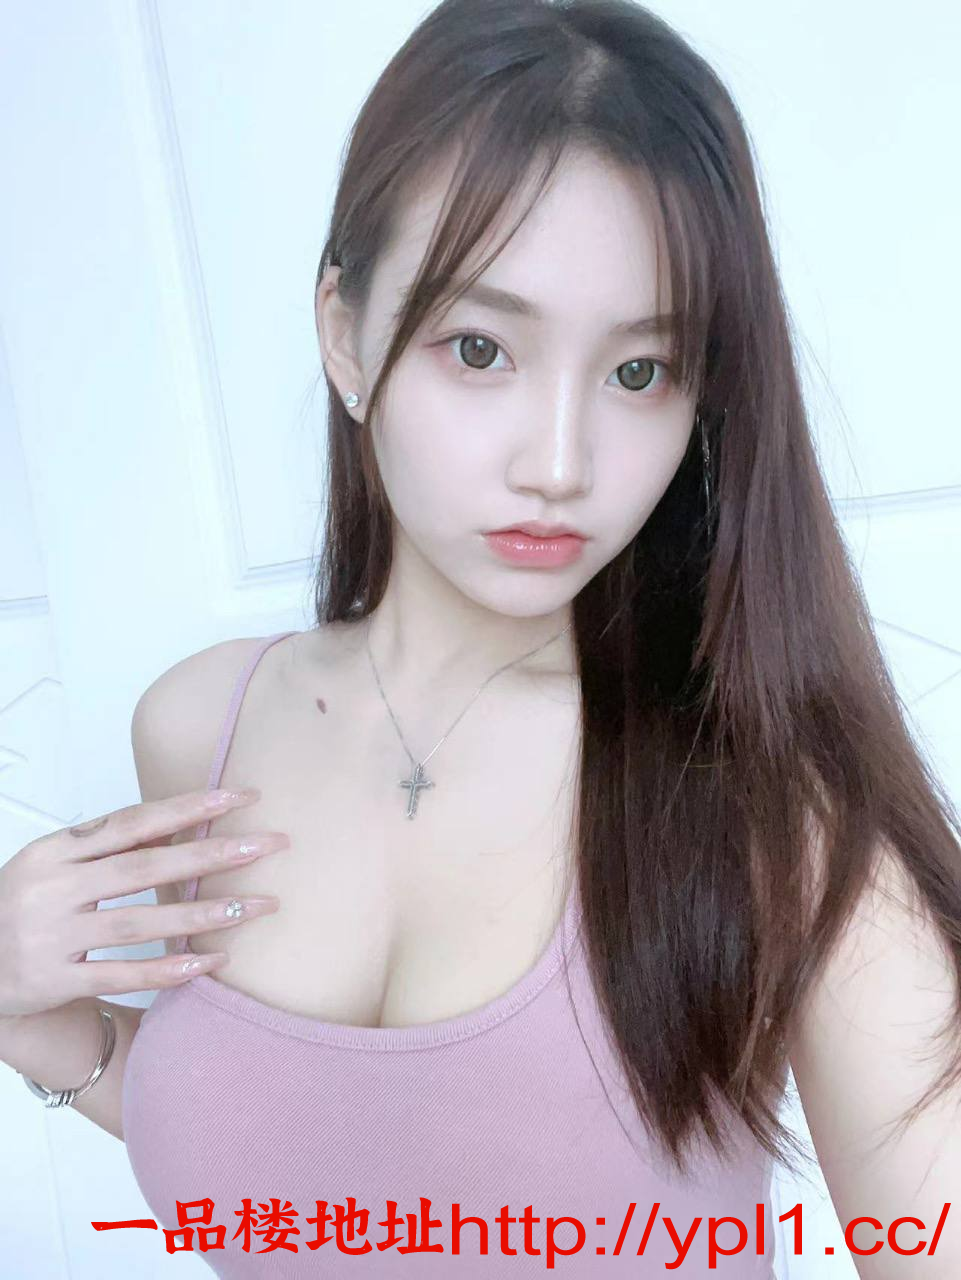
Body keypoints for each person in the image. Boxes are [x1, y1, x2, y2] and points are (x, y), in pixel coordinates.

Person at [3, 0, 960, 1274]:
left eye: (637, 372)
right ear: (345, 334)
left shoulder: (772, 816)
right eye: (480, 348)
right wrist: (41, 1024)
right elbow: (320, 1169)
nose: (558, 463)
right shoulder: (199, 730)